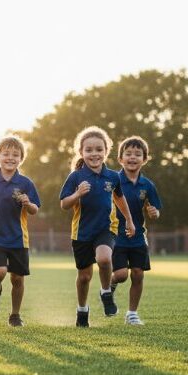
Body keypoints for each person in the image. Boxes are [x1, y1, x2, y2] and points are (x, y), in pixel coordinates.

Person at [59, 126, 135, 327]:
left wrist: (129, 219)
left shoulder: (113, 177)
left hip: (106, 228)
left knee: (103, 258)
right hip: (82, 232)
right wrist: (77, 195)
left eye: (99, 149)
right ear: (81, 152)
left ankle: (105, 292)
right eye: (89, 150)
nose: (94, 154)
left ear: (106, 151)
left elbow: (119, 198)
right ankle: (82, 311)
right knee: (84, 277)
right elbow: (64, 204)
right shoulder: (75, 177)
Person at [0, 136, 40, 327]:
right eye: (6, 154)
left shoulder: (26, 183)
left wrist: (28, 203)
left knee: (17, 278)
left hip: (19, 239)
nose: (10, 158)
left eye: (15, 154)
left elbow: (35, 209)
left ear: (21, 158)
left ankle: (15, 315)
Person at [110, 136, 162, 325]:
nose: (133, 157)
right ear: (120, 159)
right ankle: (111, 283)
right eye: (128, 154)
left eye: (137, 154)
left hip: (138, 236)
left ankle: (132, 314)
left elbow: (156, 212)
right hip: (116, 235)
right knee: (122, 275)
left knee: (138, 274)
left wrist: (153, 212)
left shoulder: (147, 185)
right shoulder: (113, 180)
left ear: (144, 159)